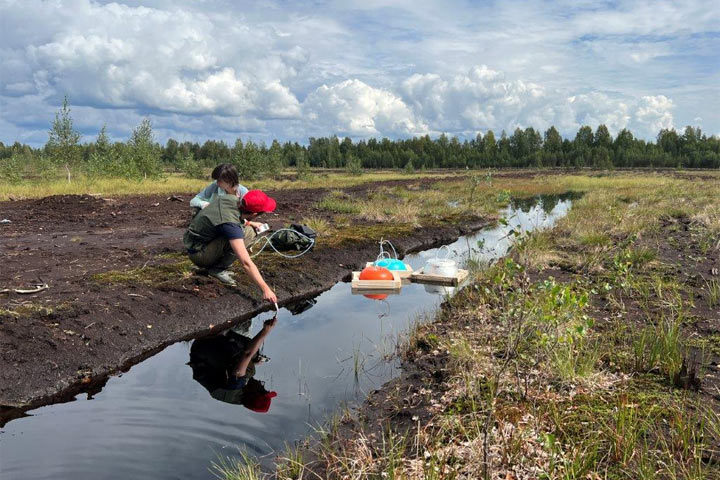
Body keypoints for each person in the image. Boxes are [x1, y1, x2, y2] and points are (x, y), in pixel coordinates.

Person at [182, 184, 278, 302]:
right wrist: (266, 289)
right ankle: (217, 270)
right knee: (248, 234)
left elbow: (232, 216)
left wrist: (250, 223)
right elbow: (246, 263)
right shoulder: (231, 226)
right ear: (254, 214)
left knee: (245, 229)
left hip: (195, 243)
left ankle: (214, 264)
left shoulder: (230, 199)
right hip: (198, 254)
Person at [189, 317, 277, 411]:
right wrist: (254, 361)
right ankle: (225, 332)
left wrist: (265, 331)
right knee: (254, 355)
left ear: (254, 394)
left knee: (250, 351)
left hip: (202, 350)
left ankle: (218, 332)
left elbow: (247, 354)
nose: (262, 384)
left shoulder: (235, 387)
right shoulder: (242, 392)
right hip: (210, 356)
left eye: (262, 389)